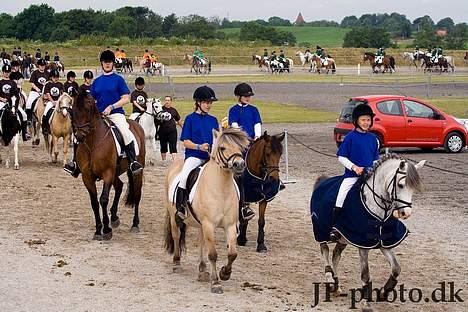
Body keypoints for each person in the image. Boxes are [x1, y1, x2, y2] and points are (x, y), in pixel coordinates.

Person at [329, 104, 380, 242]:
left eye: (368, 120)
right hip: (352, 176)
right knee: (342, 194)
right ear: (357, 120)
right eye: (363, 120)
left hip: (369, 175)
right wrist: (355, 168)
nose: (366, 123)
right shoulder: (350, 137)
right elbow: (341, 156)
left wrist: (373, 168)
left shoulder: (373, 139)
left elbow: (376, 159)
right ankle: (335, 227)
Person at [92, 50, 143, 174]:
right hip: (99, 116)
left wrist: (111, 107)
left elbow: (126, 98)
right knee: (81, 134)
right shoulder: (96, 81)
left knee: (125, 132)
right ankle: (76, 163)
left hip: (116, 114)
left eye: (109, 62)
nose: (107, 64)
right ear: (102, 63)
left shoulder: (118, 79)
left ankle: (132, 161)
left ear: (113, 63)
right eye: (105, 62)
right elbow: (92, 100)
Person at [175, 86, 219, 224]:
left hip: (210, 158)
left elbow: (217, 140)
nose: (209, 105)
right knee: (184, 176)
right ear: (198, 103)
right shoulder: (190, 119)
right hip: (194, 156)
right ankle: (180, 207)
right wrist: (199, 146)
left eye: (210, 103)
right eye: (206, 102)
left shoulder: (213, 120)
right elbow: (186, 142)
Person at [228, 82, 262, 221]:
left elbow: (257, 124)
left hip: (253, 142)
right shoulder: (233, 110)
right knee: (240, 169)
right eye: (245, 96)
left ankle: (272, 183)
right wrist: (244, 139)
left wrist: (257, 137)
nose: (248, 98)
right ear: (239, 96)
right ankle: (242, 200)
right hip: (240, 143)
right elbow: (235, 127)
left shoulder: (254, 110)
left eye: (249, 96)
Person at [0, 64, 30, 141]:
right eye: (5, 72)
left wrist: (14, 101)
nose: (7, 73)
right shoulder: (0, 82)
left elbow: (16, 94)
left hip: (11, 103)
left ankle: (25, 133)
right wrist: (2, 99)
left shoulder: (13, 83)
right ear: (2, 72)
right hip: (2, 102)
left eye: (8, 72)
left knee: (24, 115)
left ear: (10, 73)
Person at [158, 95, 182, 161]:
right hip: (162, 131)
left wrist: (183, 128)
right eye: (166, 100)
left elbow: (178, 120)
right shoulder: (160, 109)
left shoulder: (173, 110)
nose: (167, 101)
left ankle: (174, 161)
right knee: (163, 147)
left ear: (171, 101)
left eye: (168, 100)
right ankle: (163, 161)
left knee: (173, 146)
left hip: (172, 131)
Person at [25, 58, 49, 124]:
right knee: (28, 103)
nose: (42, 66)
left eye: (43, 65)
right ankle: (29, 119)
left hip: (45, 92)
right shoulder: (35, 73)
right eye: (41, 65)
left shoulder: (47, 73)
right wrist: (37, 89)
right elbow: (32, 83)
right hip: (35, 92)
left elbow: (49, 83)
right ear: (38, 65)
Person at [41, 69, 64, 135]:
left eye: (57, 77)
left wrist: (60, 101)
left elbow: (62, 93)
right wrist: (52, 101)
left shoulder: (60, 84)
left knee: (68, 110)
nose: (56, 79)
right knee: (45, 113)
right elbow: (48, 94)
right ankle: (45, 128)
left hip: (59, 101)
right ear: (51, 77)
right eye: (54, 77)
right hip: (50, 102)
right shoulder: (48, 84)